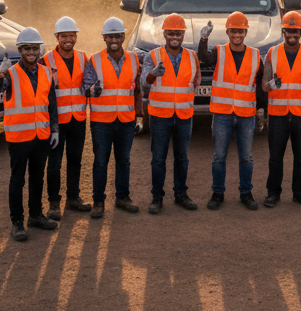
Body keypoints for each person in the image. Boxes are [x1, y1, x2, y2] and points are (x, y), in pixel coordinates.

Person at [0, 27, 60, 242]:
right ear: (20, 50)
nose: (32, 51)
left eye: (35, 48)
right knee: (17, 180)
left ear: (39, 50)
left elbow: (52, 104)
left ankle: (36, 215)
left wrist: (55, 129)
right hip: (19, 138)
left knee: (37, 177)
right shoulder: (11, 74)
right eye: (27, 48)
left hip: (41, 136)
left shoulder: (47, 72)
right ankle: (17, 222)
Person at [198, 12, 263, 210]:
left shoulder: (255, 55)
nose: (237, 34)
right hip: (223, 114)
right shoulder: (218, 52)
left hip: (246, 115)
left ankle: (246, 193)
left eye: (241, 31)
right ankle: (218, 193)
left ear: (246, 32)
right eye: (233, 31)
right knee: (219, 157)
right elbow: (203, 57)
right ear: (227, 32)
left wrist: (261, 109)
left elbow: (259, 83)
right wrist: (203, 38)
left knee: (246, 157)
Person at [82, 16, 142, 218]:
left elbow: (137, 90)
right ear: (104, 38)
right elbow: (85, 89)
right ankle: (98, 202)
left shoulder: (134, 59)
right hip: (102, 122)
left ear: (123, 36)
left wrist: (139, 116)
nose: (114, 39)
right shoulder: (95, 60)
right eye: (110, 36)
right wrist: (93, 90)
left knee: (123, 160)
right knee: (101, 161)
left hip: (126, 119)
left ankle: (122, 197)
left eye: (117, 36)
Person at [141, 13, 200, 214]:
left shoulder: (193, 56)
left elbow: (196, 81)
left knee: (182, 158)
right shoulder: (153, 56)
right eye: (170, 33)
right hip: (160, 116)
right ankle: (157, 198)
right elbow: (143, 84)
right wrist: (152, 74)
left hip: (184, 115)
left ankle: (181, 195)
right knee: (158, 158)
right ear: (164, 34)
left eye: (178, 33)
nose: (174, 36)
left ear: (183, 35)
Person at [261, 11, 301, 208]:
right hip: (278, 115)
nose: (292, 35)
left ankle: (300, 192)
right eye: (289, 31)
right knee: (275, 157)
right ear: (283, 31)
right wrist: (272, 83)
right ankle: (273, 193)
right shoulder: (272, 53)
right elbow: (264, 85)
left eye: (296, 31)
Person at [42, 16, 92, 220]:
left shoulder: (83, 57)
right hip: (56, 123)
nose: (68, 39)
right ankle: (54, 203)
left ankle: (73, 198)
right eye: (64, 36)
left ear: (76, 36)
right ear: (57, 37)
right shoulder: (45, 60)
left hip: (78, 119)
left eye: (72, 35)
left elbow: (88, 84)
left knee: (75, 160)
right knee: (54, 163)